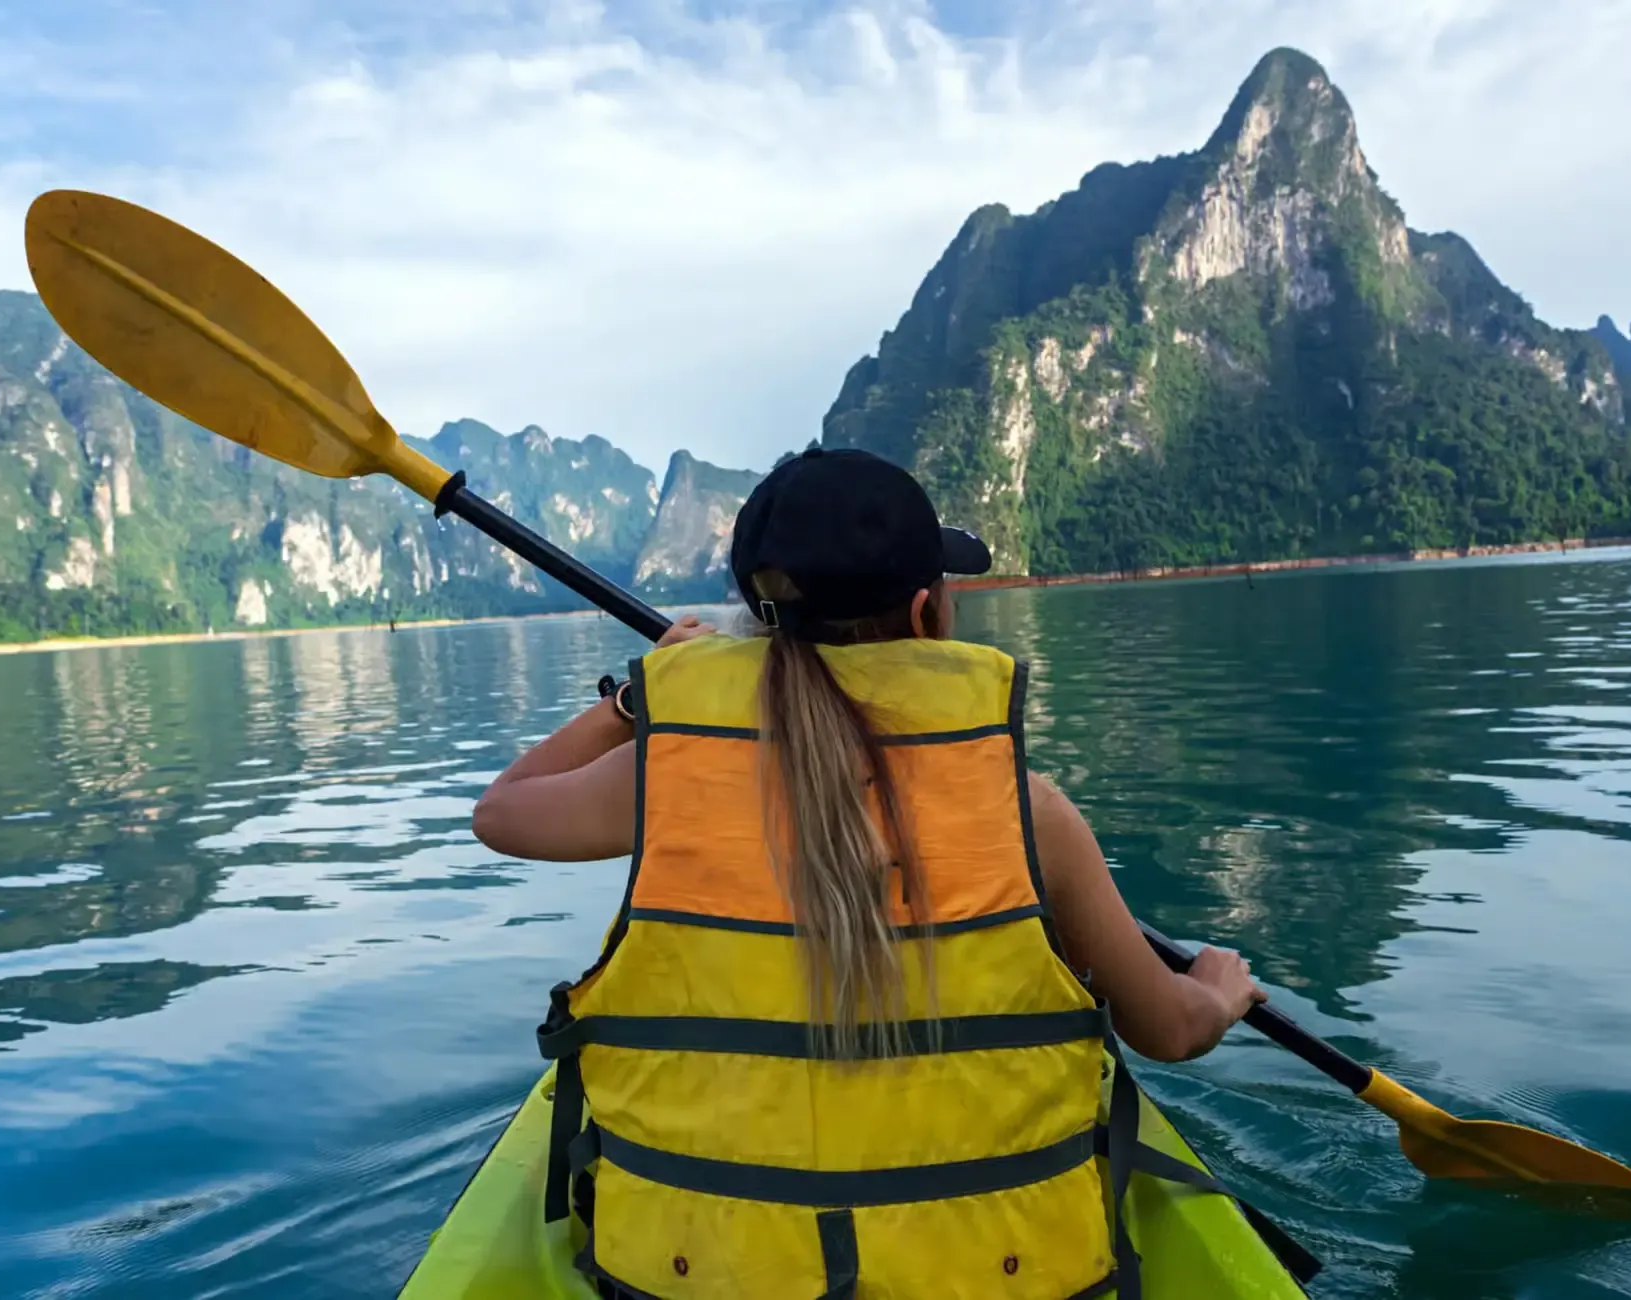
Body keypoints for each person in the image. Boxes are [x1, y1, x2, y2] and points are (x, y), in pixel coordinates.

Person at [473, 447, 1267, 1299]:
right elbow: (1168, 1031)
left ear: (758, 612)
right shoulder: (1028, 811)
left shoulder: (656, 778)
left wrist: (634, 703)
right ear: (929, 612)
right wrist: (1215, 991)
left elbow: (502, 811)